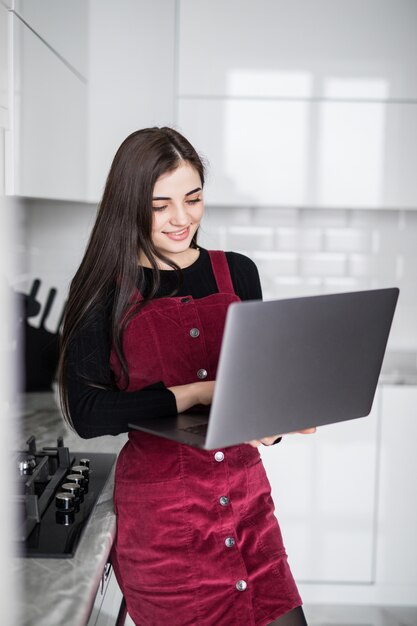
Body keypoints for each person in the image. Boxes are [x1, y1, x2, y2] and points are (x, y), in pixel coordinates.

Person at [58, 127, 314, 626]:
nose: (182, 219)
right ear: (129, 205)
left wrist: (273, 421)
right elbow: (88, 414)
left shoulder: (238, 272)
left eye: (193, 198)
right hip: (165, 526)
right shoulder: (101, 289)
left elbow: (258, 387)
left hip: (248, 508)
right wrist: (195, 392)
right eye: (160, 205)